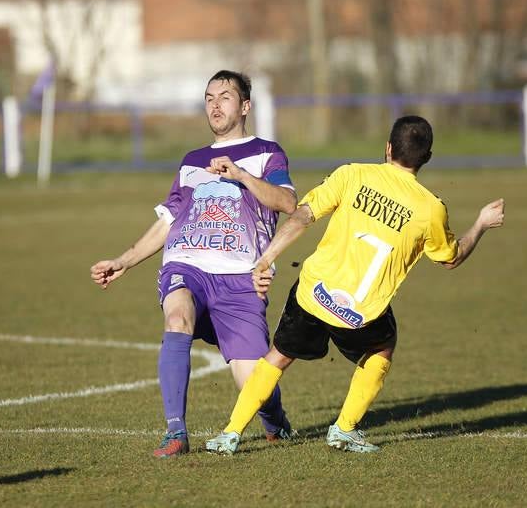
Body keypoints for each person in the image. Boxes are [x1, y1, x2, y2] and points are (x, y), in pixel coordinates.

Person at [205, 115, 505, 455]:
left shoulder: (351, 174)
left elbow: (303, 215)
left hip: (313, 293)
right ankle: (344, 429)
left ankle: (230, 434)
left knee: (278, 357)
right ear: (427, 158)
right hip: (360, 313)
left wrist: (266, 258)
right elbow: (451, 258)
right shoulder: (431, 209)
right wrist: (480, 223)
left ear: (388, 147)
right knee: (383, 346)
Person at [90, 70, 297, 458]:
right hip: (188, 264)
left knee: (254, 385)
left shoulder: (268, 152)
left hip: (241, 278)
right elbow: (170, 218)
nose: (215, 105)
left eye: (225, 97)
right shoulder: (192, 161)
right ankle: (175, 432)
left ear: (245, 106)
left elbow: (287, 204)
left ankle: (275, 419)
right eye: (208, 98)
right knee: (177, 317)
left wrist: (239, 175)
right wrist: (125, 260)